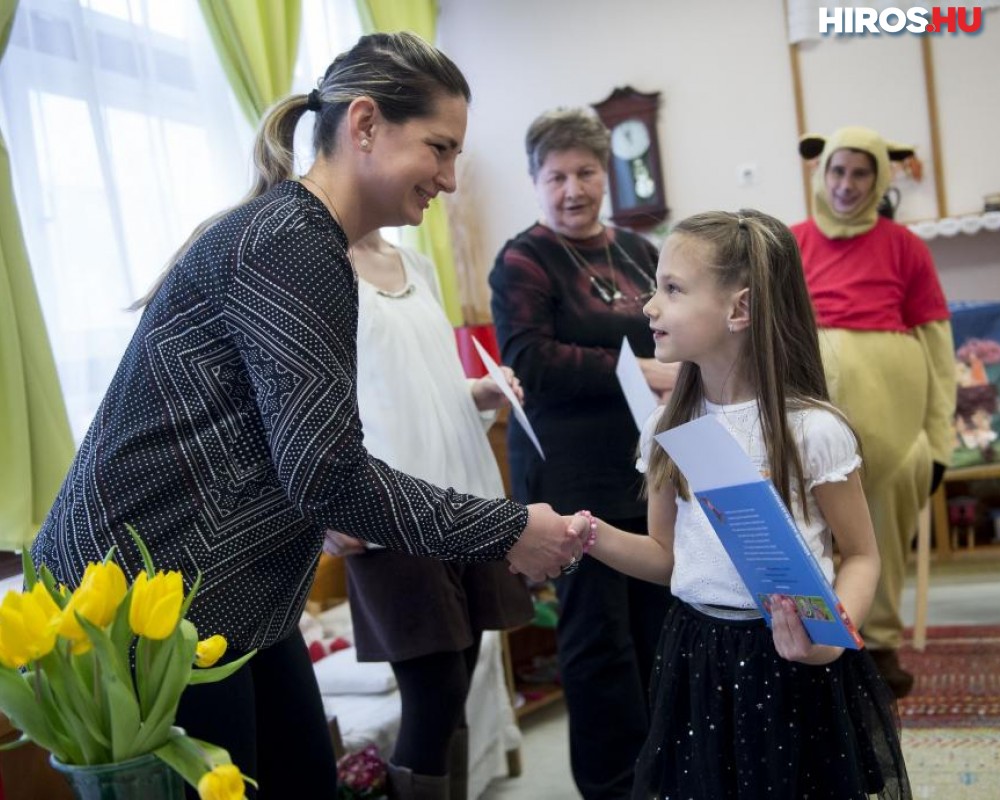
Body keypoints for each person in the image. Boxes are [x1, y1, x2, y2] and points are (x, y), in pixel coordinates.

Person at [29, 32, 582, 799]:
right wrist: (510, 530)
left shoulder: (303, 239)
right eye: (439, 148)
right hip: (148, 612)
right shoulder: (291, 243)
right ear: (363, 125)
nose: (451, 179)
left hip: (230, 598)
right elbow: (325, 472)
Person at [569, 208, 910, 799]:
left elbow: (860, 556)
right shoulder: (664, 428)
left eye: (672, 289)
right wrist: (589, 534)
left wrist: (830, 639)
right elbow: (663, 555)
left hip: (793, 656)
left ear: (739, 309)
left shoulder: (813, 431)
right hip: (697, 655)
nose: (649, 306)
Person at [488, 107, 677, 799]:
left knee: (661, 630)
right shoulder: (521, 259)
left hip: (649, 466)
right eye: (557, 175)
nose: (573, 188)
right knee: (600, 644)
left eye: (587, 172)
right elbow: (529, 361)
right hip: (569, 475)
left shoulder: (640, 250)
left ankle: (668, 773)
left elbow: (674, 329)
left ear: (609, 175)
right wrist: (645, 370)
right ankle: (612, 787)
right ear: (536, 181)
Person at [323, 230, 533, 799]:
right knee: (434, 696)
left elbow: (416, 387)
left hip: (461, 498)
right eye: (437, 150)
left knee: (455, 692)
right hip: (386, 510)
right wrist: (319, 509)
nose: (445, 176)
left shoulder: (415, 262)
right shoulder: (316, 265)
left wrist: (477, 393)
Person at [792, 126, 956, 698]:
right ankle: (814, 634)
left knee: (889, 505)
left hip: (895, 423)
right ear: (821, 173)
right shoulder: (792, 243)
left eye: (861, 173)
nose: (846, 185)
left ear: (880, 180)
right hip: (809, 419)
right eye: (838, 171)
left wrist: (939, 441)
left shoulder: (906, 246)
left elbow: (937, 344)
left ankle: (879, 642)